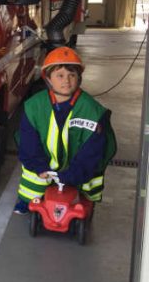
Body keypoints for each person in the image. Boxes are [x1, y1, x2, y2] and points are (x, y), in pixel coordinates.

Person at [13, 46, 116, 215]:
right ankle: (27, 199)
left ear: (79, 78)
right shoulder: (34, 106)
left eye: (72, 75)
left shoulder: (92, 111)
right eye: (60, 75)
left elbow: (93, 151)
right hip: (45, 166)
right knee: (32, 176)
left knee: (87, 182)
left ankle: (84, 200)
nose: (66, 81)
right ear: (48, 79)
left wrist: (73, 175)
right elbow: (28, 144)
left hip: (78, 168)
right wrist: (39, 167)